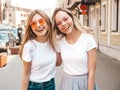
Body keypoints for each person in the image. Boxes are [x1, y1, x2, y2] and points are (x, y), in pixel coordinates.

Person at [52, 8, 98, 90]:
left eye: (65, 19)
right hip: (67, 83)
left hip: (85, 83)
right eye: (59, 23)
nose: (63, 24)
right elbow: (57, 63)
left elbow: (92, 72)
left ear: (72, 17)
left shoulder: (88, 39)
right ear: (57, 27)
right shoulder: (59, 42)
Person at [19, 9, 56, 90]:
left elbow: (58, 63)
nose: (38, 25)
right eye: (33, 23)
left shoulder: (54, 42)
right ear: (31, 28)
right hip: (34, 86)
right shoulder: (29, 46)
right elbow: (26, 73)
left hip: (50, 84)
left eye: (41, 21)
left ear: (47, 22)